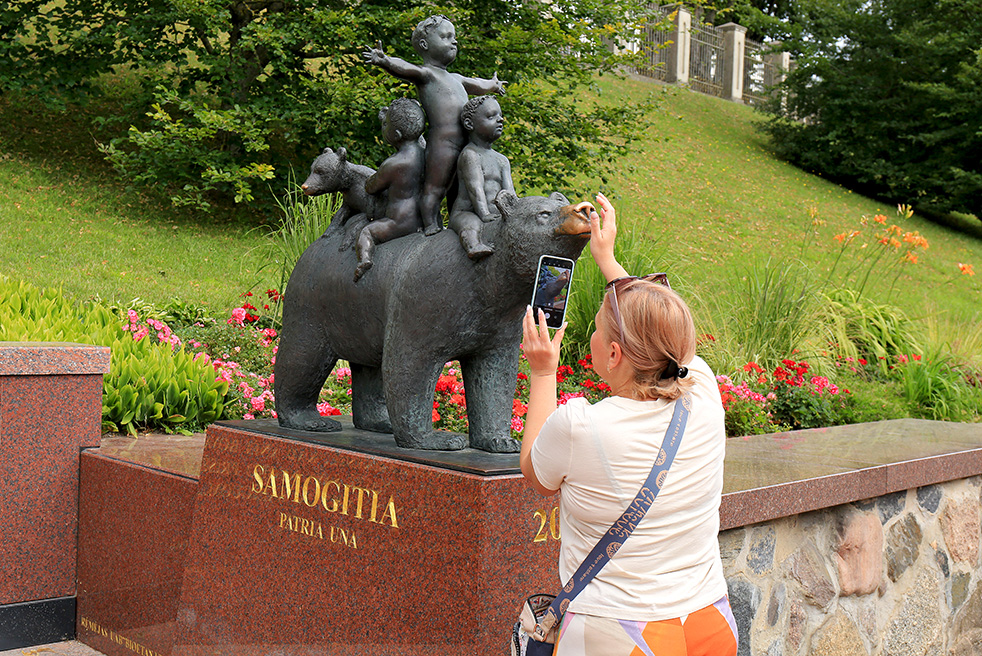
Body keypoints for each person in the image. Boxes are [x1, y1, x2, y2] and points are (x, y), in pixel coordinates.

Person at [519, 192, 738, 656]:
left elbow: (536, 472)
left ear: (614, 355)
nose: (592, 335)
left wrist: (542, 372)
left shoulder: (582, 426)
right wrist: (608, 260)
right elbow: (663, 333)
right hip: (707, 621)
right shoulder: (702, 387)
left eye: (597, 328)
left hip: (620, 633)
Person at [363, 15, 506, 237]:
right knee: (435, 187)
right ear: (425, 45)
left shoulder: (456, 78)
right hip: (444, 143)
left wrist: (493, 85)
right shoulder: (427, 74)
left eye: (454, 37)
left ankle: (457, 224)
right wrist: (385, 61)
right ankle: (430, 225)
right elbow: (405, 68)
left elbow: (478, 84)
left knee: (461, 187)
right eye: (446, 36)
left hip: (467, 145)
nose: (454, 41)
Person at [355, 98, 426, 282]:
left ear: (395, 134)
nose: (383, 127)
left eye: (385, 125)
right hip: (424, 218)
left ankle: (365, 259)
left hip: (400, 222)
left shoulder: (393, 164)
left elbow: (371, 187)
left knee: (367, 232)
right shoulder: (427, 154)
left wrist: (370, 179)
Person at [449, 95, 514, 259]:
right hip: (467, 212)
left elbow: (509, 192)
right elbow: (475, 188)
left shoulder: (502, 160)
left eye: (500, 115)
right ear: (470, 124)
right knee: (472, 225)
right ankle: (474, 246)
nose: (500, 120)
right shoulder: (470, 155)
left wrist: (514, 212)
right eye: (491, 116)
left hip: (494, 212)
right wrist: (484, 214)